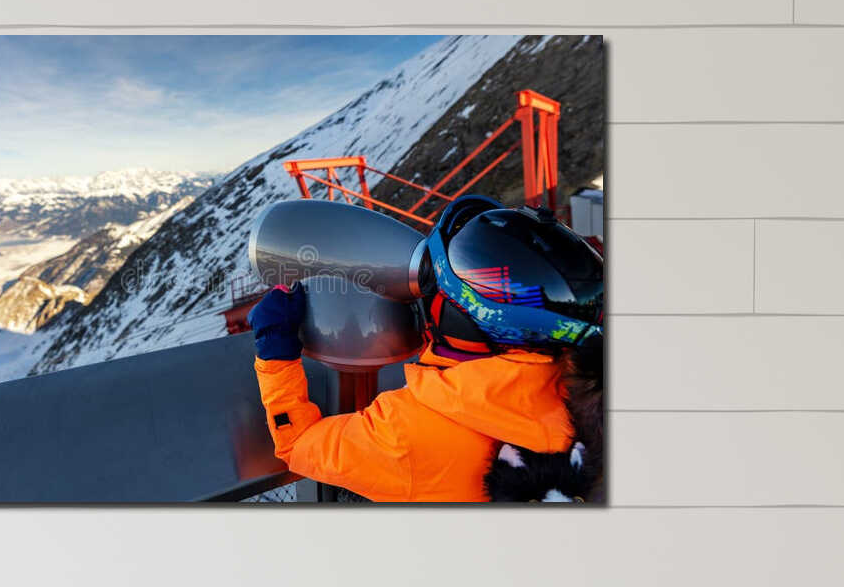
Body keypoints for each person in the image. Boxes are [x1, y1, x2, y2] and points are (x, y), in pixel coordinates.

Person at [250, 195, 604, 503]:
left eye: (437, 285)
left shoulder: (404, 435)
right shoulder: (585, 389)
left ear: (456, 316)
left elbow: (298, 445)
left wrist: (275, 355)